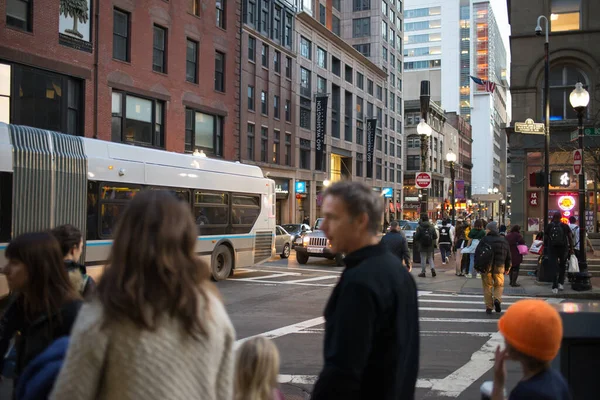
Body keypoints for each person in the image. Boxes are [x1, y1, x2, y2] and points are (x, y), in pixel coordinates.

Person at [50, 190, 235, 400]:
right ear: (187, 238)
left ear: (124, 238)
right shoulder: (213, 312)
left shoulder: (103, 312)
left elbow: (70, 393)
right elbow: (223, 393)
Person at [311, 181, 419, 400]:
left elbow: (342, 371)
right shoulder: (399, 274)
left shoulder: (359, 282)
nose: (323, 227)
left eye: (332, 218)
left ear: (361, 220)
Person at [0, 232, 82, 388]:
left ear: (38, 267)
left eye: (15, 262)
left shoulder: (72, 312)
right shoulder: (22, 303)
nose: (5, 269)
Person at [492, 299, 571, 400]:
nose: (505, 339)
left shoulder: (525, 393)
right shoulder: (558, 382)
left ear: (516, 347)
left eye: (508, 336)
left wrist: (498, 384)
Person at [50, 224, 96, 299]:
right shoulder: (85, 282)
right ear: (73, 250)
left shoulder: (39, 274)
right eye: (81, 247)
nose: (81, 251)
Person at [478, 221, 511, 314]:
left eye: (487, 229)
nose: (486, 230)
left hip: (486, 267)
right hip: (499, 266)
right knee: (499, 285)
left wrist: (477, 266)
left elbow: (478, 253)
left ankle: (489, 306)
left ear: (490, 229)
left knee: (487, 286)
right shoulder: (503, 240)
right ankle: (497, 299)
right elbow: (508, 255)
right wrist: (508, 267)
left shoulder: (484, 240)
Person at [544, 212, 574, 294]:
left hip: (552, 248)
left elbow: (545, 238)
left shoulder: (549, 226)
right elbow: (570, 237)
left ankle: (554, 286)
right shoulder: (565, 226)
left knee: (554, 266)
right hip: (563, 248)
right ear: (561, 217)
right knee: (562, 265)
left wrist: (546, 247)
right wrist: (571, 248)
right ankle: (561, 283)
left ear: (553, 217)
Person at [414, 214, 438, 278]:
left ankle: (423, 272)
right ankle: (432, 269)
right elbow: (435, 236)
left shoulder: (419, 227)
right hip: (430, 244)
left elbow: (416, 237)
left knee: (423, 258)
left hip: (422, 244)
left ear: (422, 219)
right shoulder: (432, 226)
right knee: (430, 257)